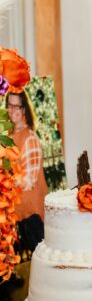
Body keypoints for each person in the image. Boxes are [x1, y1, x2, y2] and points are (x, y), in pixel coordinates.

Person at [7, 90, 48, 249]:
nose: (12, 110)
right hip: (17, 215)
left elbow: (28, 181)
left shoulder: (29, 138)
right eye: (10, 105)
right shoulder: (10, 136)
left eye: (17, 106)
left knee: (39, 266)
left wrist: (6, 179)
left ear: (24, 109)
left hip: (32, 217)